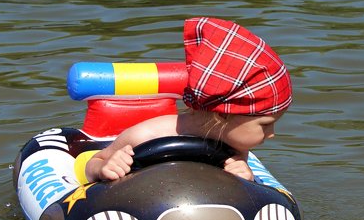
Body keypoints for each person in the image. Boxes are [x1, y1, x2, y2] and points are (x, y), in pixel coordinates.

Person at [84, 17, 292, 183]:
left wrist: (245, 179)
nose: (272, 134)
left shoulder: (234, 147)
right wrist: (104, 168)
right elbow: (93, 163)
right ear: (223, 114)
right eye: (265, 125)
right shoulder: (143, 135)